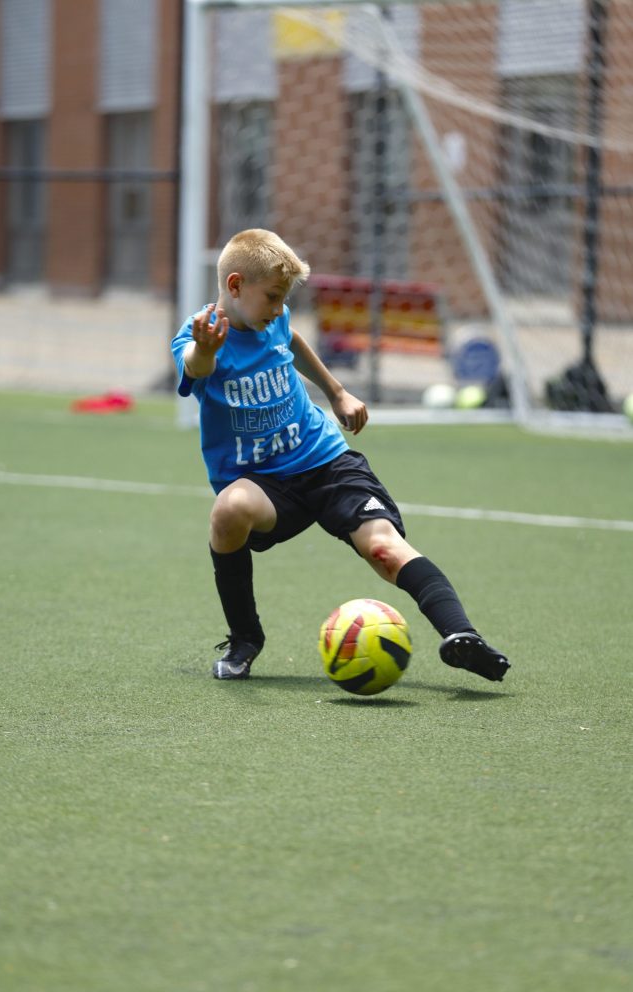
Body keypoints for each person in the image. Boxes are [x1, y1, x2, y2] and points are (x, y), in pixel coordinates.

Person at [171, 229, 510, 683]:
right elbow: (196, 365)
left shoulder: (272, 317)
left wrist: (337, 393)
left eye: (283, 298)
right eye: (273, 296)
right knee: (228, 511)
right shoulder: (200, 335)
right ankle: (245, 638)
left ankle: (462, 636)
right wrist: (205, 350)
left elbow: (290, 339)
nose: (279, 307)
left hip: (325, 459)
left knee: (384, 548)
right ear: (235, 286)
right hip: (265, 485)